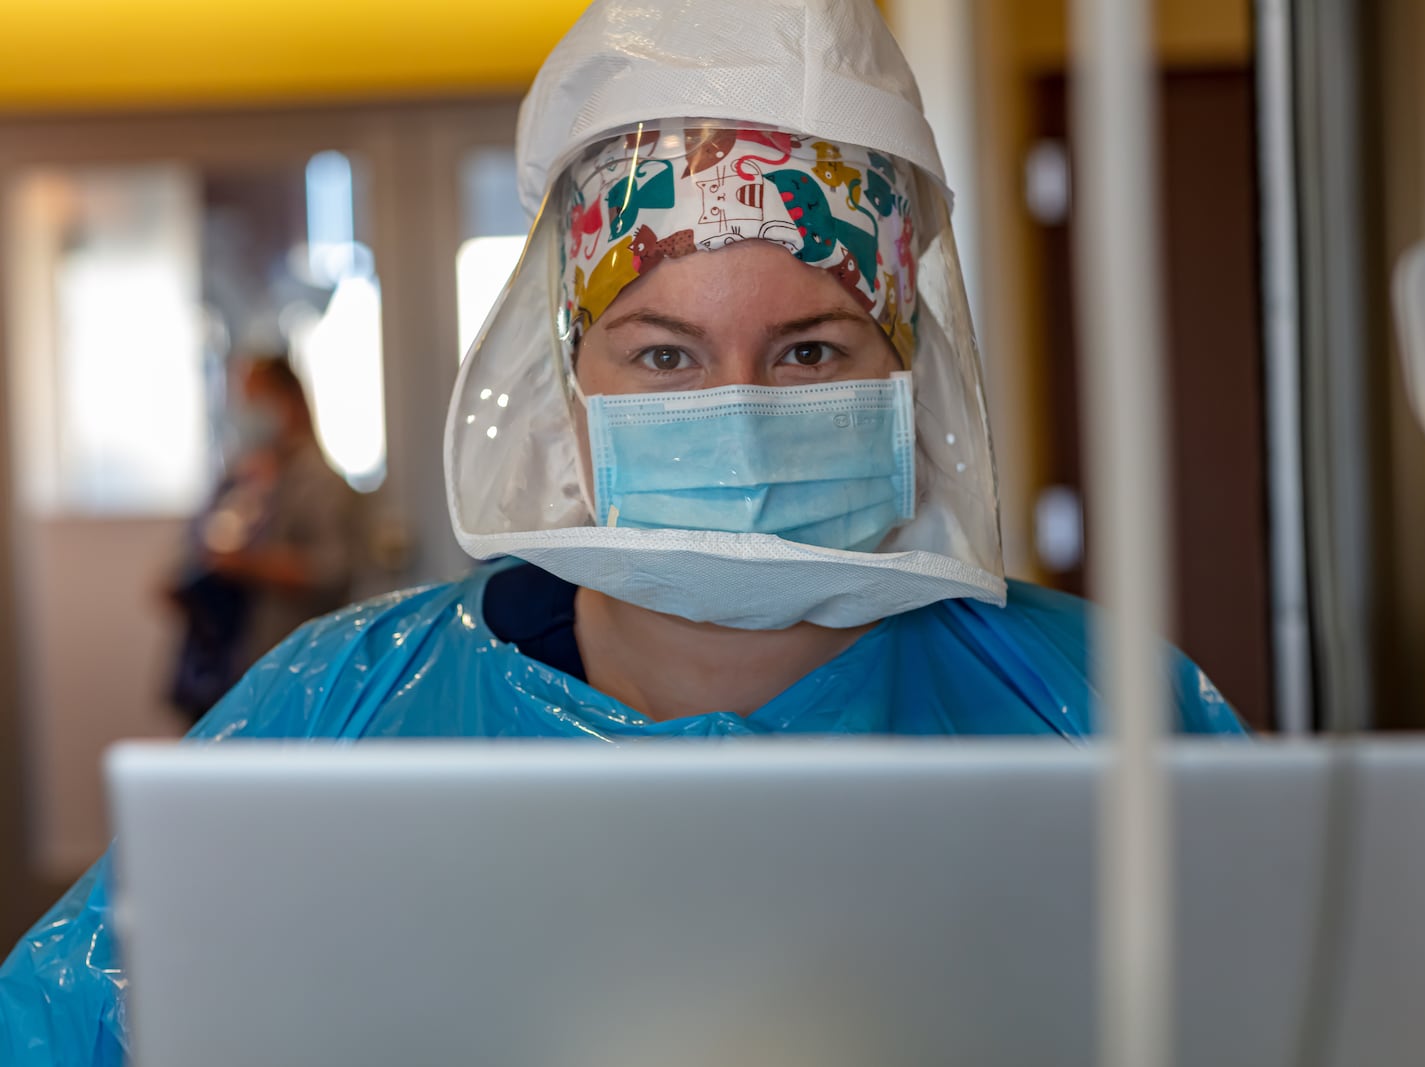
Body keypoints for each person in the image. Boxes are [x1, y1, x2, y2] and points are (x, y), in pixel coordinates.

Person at [0, 0, 1243, 1061]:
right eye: (665, 352)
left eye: (811, 347)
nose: (740, 413)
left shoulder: (1089, 705)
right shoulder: (339, 710)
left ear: (903, 370)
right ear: (571, 382)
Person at [164, 355, 364, 721]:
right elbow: (192, 547)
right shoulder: (240, 478)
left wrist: (247, 565)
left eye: (258, 399)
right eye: (242, 400)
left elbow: (332, 571)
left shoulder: (320, 483)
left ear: (292, 401)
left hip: (288, 673)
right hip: (220, 671)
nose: (248, 411)